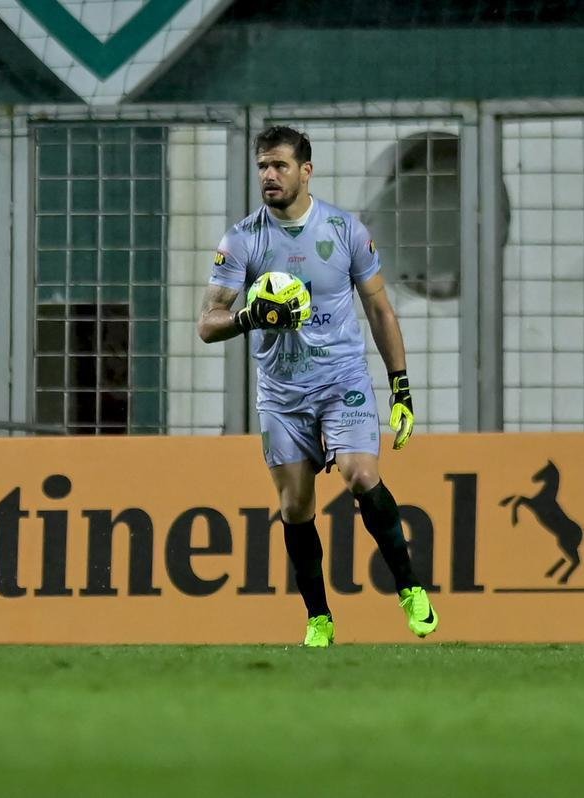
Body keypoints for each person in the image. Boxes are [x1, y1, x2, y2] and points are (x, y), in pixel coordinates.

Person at [198, 126, 438, 648]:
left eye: (279, 166)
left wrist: (401, 389)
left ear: (306, 171)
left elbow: (379, 307)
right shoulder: (241, 239)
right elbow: (207, 323)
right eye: (263, 166)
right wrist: (248, 317)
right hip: (282, 393)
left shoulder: (345, 230)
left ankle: (410, 588)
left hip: (341, 381)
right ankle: (319, 617)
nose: (269, 175)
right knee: (295, 507)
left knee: (359, 472)